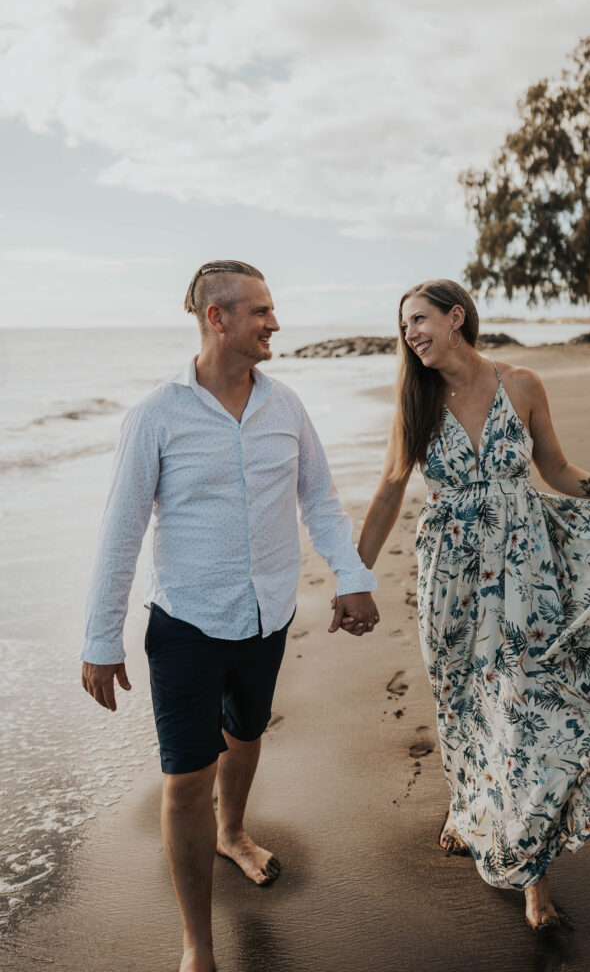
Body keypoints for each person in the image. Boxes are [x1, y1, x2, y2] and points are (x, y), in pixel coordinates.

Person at [80, 260, 380, 972]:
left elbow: (320, 503)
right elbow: (120, 531)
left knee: (245, 736)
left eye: (271, 311)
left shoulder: (287, 408)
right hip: (185, 624)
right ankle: (199, 947)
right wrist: (100, 636)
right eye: (260, 312)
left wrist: (352, 575)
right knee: (186, 780)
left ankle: (235, 832)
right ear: (218, 319)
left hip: (266, 616)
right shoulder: (155, 416)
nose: (274, 323)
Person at [355, 279, 590, 933]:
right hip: (448, 577)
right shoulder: (414, 402)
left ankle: (531, 878)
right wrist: (351, 574)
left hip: (526, 576)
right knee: (459, 700)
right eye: (402, 324)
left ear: (455, 317)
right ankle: (467, 804)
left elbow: (554, 470)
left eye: (418, 319)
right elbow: (390, 488)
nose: (410, 333)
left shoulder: (521, 385)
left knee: (522, 708)